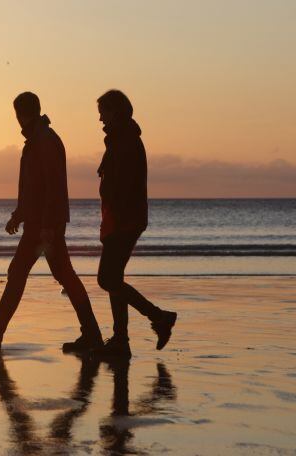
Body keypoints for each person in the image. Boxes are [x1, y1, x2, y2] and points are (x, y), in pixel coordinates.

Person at [0, 91, 103, 352]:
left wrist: (47, 226)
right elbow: (32, 187)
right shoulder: (38, 140)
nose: (17, 120)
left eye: (17, 115)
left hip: (44, 226)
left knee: (28, 274)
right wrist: (19, 214)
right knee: (56, 275)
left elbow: (52, 187)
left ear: (24, 114)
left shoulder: (44, 141)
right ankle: (90, 333)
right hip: (41, 223)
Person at [92, 89, 177, 359]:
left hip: (124, 220)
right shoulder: (120, 139)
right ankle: (121, 340)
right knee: (114, 279)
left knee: (107, 278)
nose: (100, 119)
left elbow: (124, 185)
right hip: (120, 219)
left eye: (103, 113)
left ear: (115, 112)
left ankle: (159, 317)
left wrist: (115, 214)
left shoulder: (125, 140)